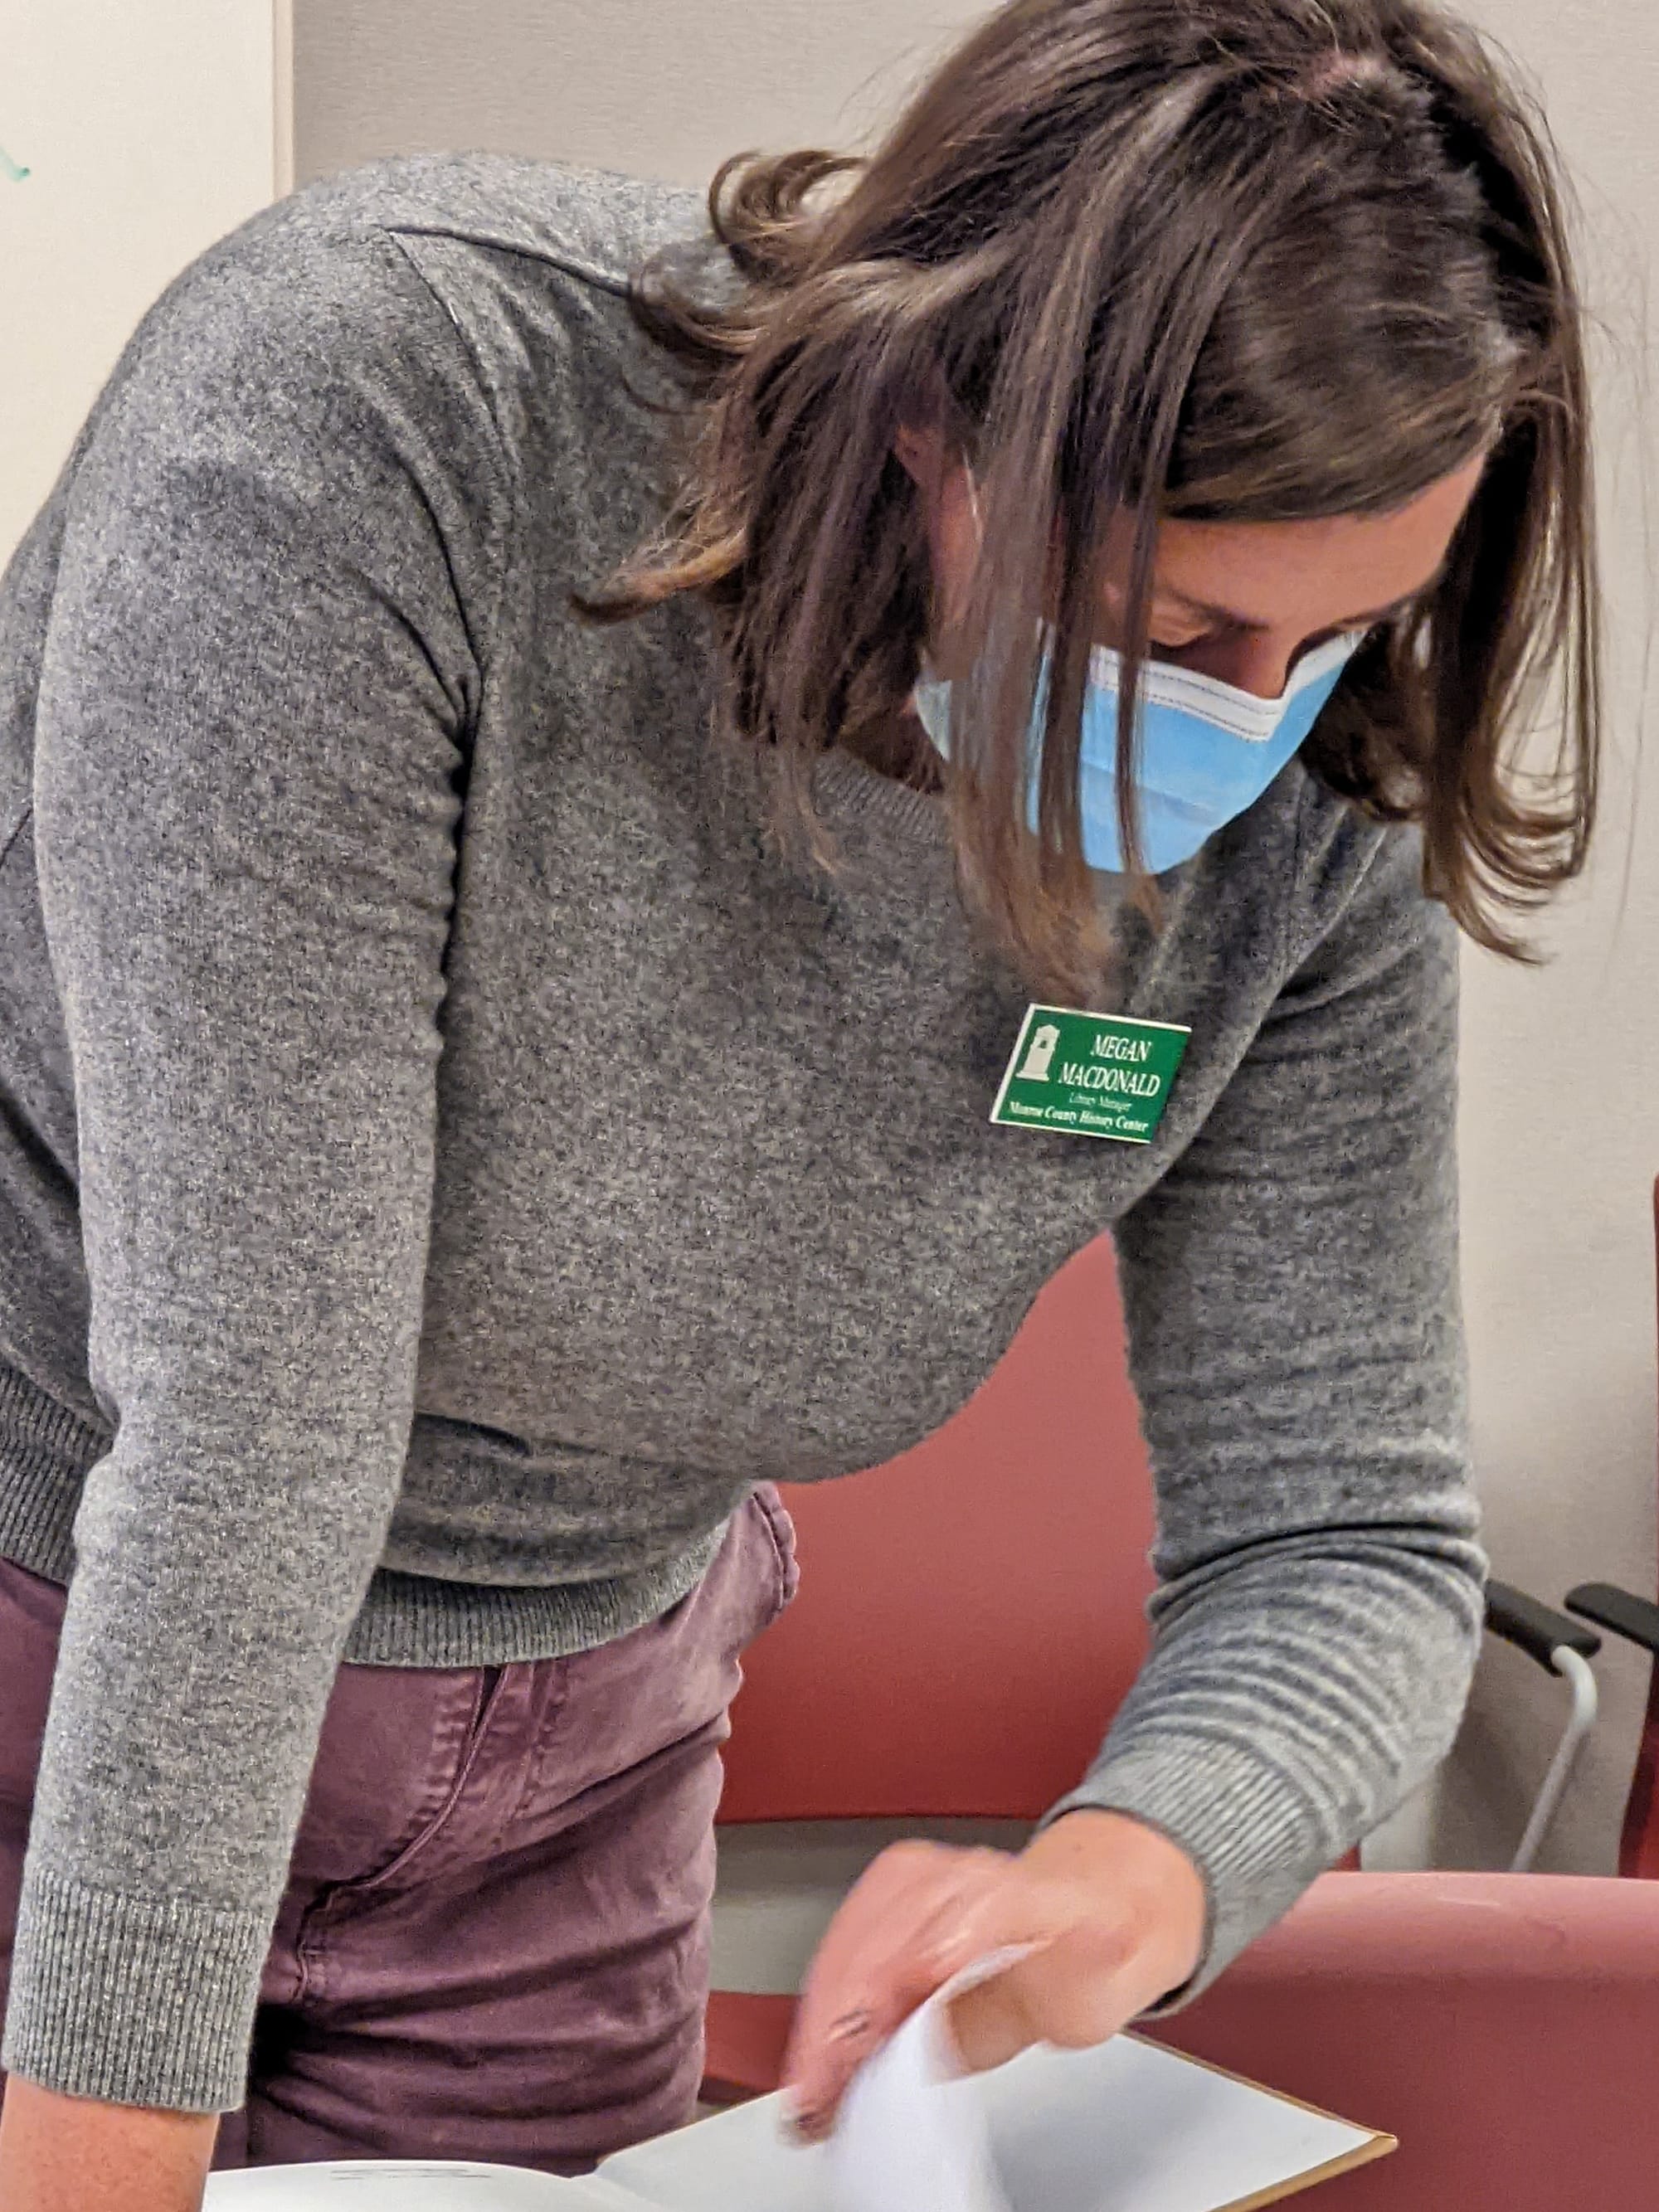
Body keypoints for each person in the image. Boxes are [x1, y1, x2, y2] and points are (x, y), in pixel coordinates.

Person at [0, 0, 1601, 2204]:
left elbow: (1345, 1532)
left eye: (1333, 639)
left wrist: (1116, 1885)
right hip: (62, 1641)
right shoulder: (381, 410)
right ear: (924, 410)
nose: (1255, 732)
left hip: (573, 1763)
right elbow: (250, 1429)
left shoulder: (1306, 802)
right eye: (1188, 623)